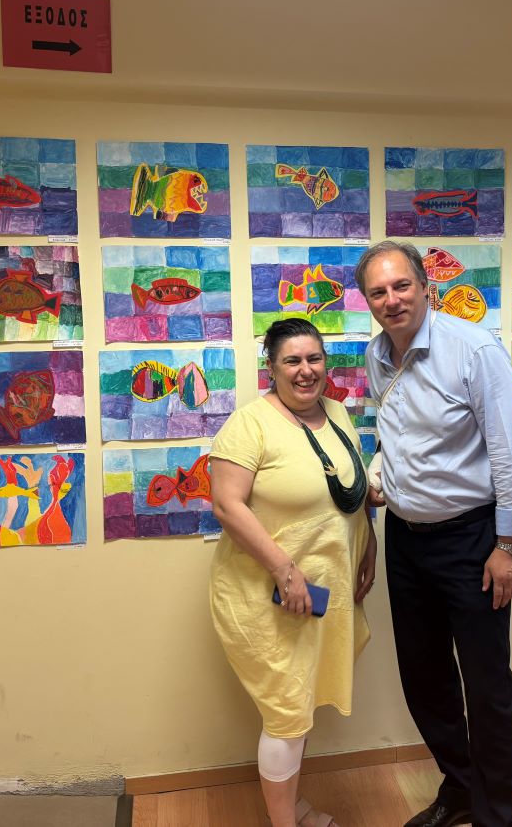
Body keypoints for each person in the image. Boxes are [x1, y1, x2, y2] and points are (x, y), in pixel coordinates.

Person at [357, 241, 512, 827]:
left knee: (487, 687)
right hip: (407, 541)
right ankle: (461, 788)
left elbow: (509, 449)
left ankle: (497, 817)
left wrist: (508, 546)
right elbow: (395, 435)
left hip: (472, 542)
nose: (392, 300)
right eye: (379, 292)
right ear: (368, 301)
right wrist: (383, 477)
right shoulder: (376, 355)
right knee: (423, 677)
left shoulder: (473, 349)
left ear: (425, 287)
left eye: (401, 286)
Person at [209, 317, 378, 827]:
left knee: (300, 707)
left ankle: (293, 808)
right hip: (267, 595)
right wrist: (285, 571)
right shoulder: (250, 424)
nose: (306, 370)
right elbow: (227, 505)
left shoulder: (337, 412)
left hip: (324, 592)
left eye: (314, 358)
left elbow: (349, 492)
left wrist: (368, 546)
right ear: (272, 367)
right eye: (292, 361)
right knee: (286, 711)